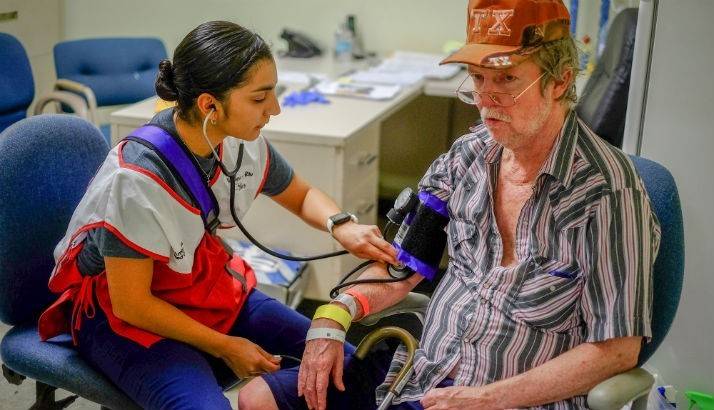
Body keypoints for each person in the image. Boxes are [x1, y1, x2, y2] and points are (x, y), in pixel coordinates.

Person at [238, 0, 661, 409]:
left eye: (507, 79)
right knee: (257, 397)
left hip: (514, 399)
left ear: (560, 81)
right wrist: (334, 314)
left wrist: (488, 398)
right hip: (423, 374)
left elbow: (616, 351)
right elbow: (402, 266)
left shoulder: (608, 194)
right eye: (477, 78)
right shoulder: (468, 157)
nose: (485, 98)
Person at [37, 20, 397, 410]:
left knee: (350, 364)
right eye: (260, 100)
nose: (273, 110)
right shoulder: (137, 180)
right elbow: (132, 305)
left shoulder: (236, 143)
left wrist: (341, 226)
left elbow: (302, 193)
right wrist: (226, 346)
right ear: (210, 105)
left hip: (201, 285)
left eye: (273, 94)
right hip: (126, 317)